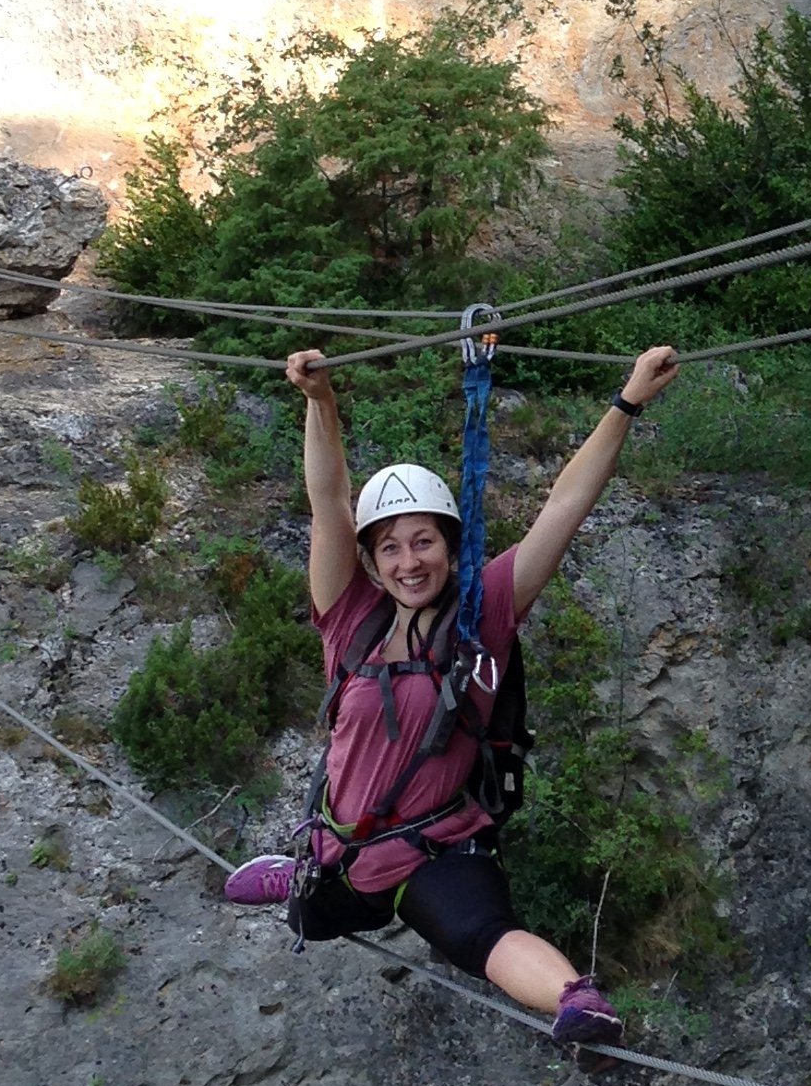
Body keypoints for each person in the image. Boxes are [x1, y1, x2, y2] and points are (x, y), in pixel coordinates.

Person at [220, 340, 682, 1044]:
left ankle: (577, 1001)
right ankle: (298, 872)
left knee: (480, 933)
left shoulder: (484, 613)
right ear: (372, 564)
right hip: (342, 854)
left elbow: (565, 505)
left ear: (451, 545)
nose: (410, 561)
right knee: (310, 918)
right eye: (392, 548)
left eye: (424, 541)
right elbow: (329, 502)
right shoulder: (348, 620)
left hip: (427, 855)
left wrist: (626, 403)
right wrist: (321, 403)